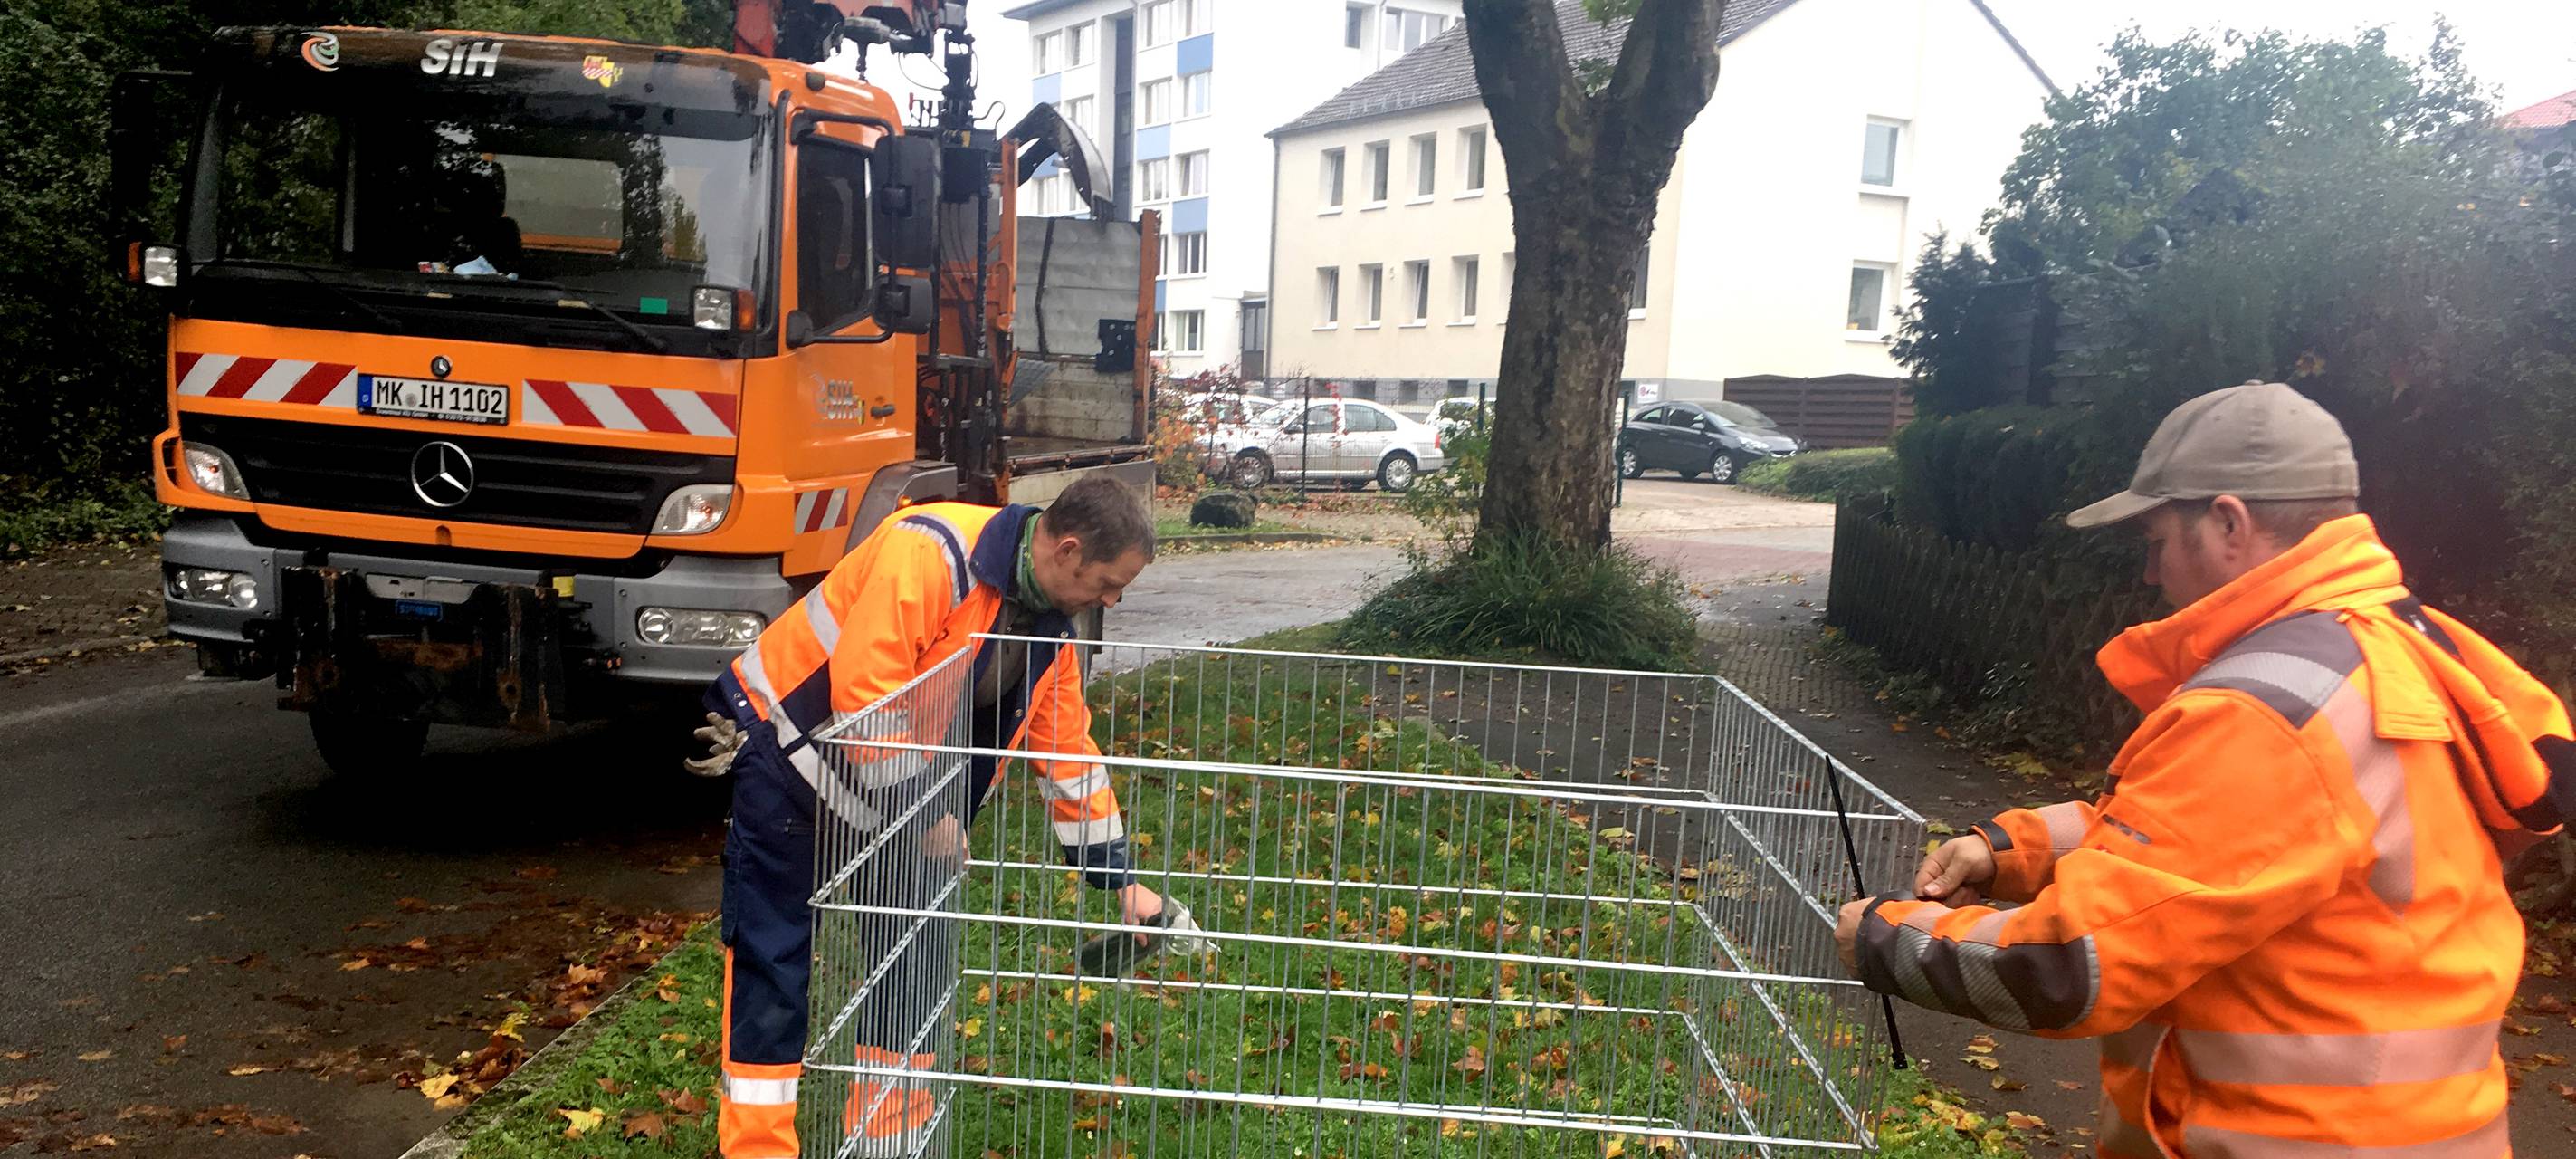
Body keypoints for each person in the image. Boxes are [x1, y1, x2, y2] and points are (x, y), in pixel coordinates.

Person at [1836, 382, 2573, 1157]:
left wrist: (1886, 938)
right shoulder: (2407, 649)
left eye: (2155, 540)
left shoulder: (2264, 710)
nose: (2150, 573)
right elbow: (2231, 842)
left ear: (2228, 523)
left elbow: (2070, 964)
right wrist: (2011, 849)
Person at [692, 474, 1171, 1159]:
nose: (1112, 599)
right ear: (1066, 550)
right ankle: (759, 1148)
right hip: (790, 762)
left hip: (897, 796)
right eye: (1107, 581)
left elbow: (1068, 754)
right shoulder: (931, 551)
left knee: (912, 965)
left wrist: (1120, 881)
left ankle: (888, 1140)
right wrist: (926, 814)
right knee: (776, 968)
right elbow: (868, 690)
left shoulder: (1049, 629)